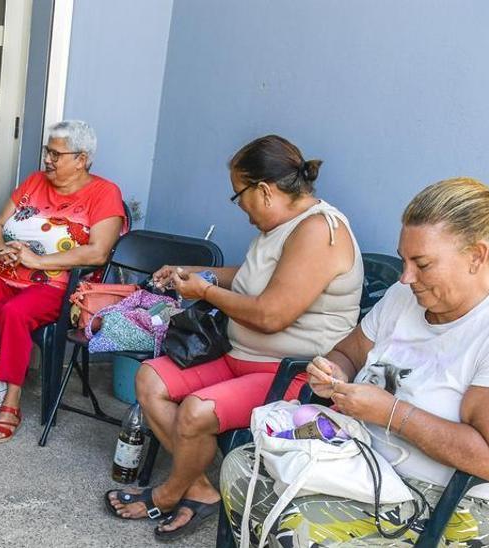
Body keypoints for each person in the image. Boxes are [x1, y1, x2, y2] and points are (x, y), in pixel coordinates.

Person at [222, 178, 489, 547]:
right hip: (369, 458)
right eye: (404, 260)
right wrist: (334, 371)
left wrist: (392, 414)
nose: (406, 277)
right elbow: (348, 351)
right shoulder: (403, 297)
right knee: (242, 468)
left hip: (462, 499)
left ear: (476, 255)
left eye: (422, 264)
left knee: (301, 526)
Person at [106, 135, 363, 540]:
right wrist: (190, 271)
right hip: (238, 355)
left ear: (263, 190)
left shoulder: (318, 232)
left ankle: (170, 492)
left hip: (288, 373)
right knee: (149, 379)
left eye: (237, 195)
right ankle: (203, 490)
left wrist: (206, 292)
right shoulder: (280, 226)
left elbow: (270, 315)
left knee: (195, 411)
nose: (240, 208)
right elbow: (250, 277)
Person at [0, 120, 127, 444]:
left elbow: (98, 253)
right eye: (48, 151)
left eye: (56, 154)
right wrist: (1, 250)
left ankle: (11, 402)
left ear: (81, 159)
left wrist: (40, 261)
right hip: (7, 275)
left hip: (53, 287)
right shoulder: (34, 182)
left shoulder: (104, 193)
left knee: (14, 314)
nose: (47, 160)